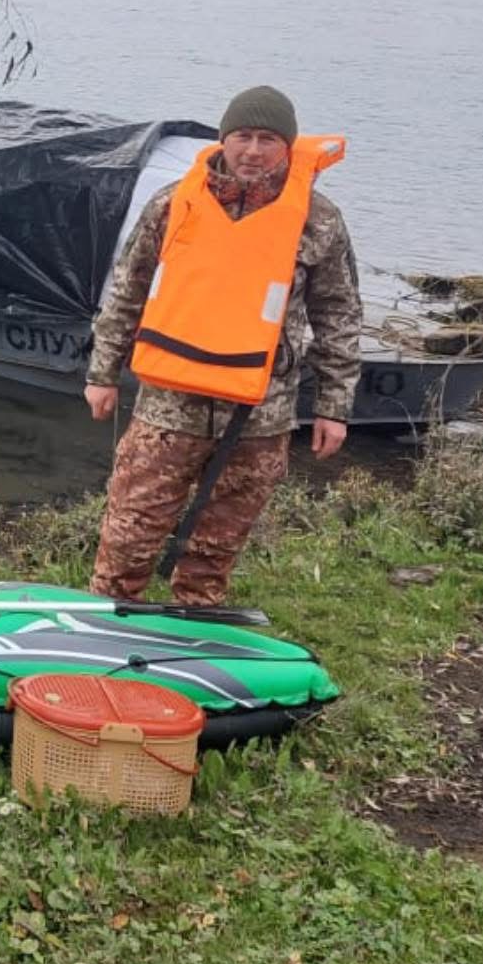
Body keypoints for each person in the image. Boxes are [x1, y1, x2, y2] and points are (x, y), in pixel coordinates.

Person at [82, 85, 361, 606]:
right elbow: (127, 289)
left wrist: (334, 408)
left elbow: (339, 316)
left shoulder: (318, 221)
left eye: (268, 140)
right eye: (242, 137)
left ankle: (192, 640)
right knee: (128, 537)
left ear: (288, 147)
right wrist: (102, 374)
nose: (253, 151)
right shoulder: (172, 206)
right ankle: (107, 627)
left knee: (215, 550)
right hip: (168, 408)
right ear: (223, 140)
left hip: (260, 416)